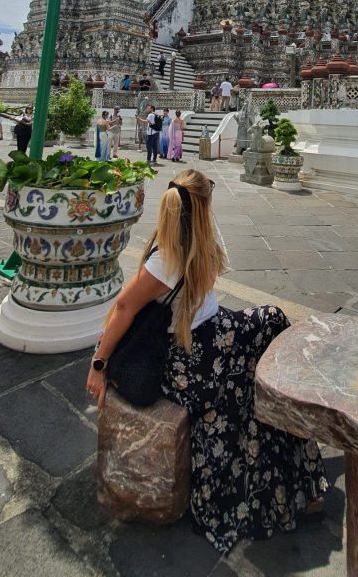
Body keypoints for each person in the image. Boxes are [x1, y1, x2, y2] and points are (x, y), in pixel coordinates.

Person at [86, 169, 328, 554]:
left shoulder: (192, 243)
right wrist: (99, 363)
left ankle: (299, 473)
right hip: (191, 358)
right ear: (201, 206)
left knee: (268, 342)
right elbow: (124, 307)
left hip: (209, 339)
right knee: (270, 332)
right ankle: (301, 478)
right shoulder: (166, 260)